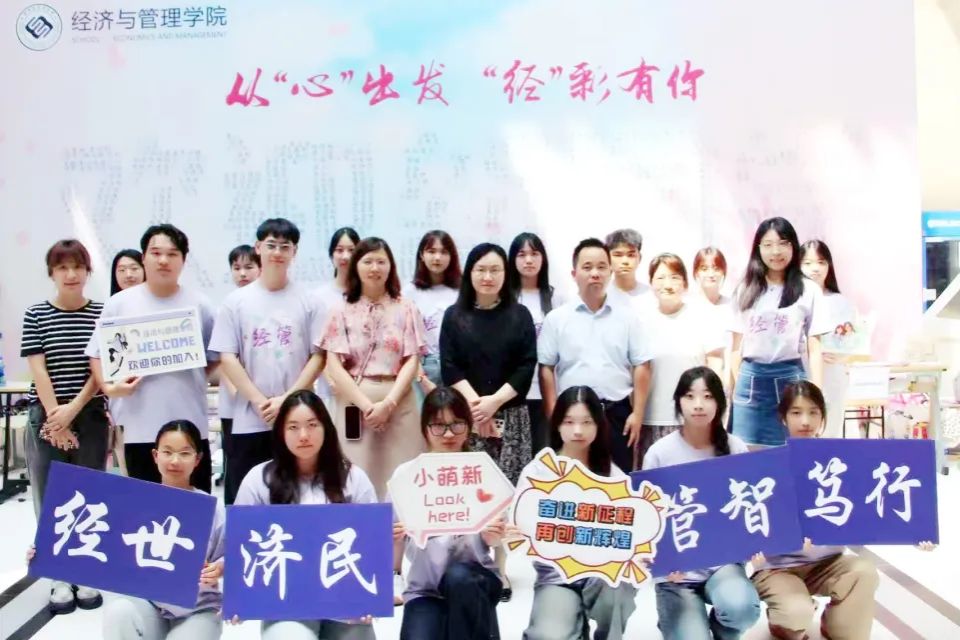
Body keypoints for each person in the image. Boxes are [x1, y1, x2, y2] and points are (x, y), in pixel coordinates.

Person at [234, 389, 377, 639]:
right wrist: (239, 597)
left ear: (326, 428)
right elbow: (239, 543)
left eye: (312, 425)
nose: (303, 435)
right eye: (293, 427)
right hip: (286, 602)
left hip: (343, 598)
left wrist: (372, 596)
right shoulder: (259, 479)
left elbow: (372, 542)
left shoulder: (354, 478)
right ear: (281, 432)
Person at [87, 224, 219, 492]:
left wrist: (189, 375)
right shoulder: (119, 303)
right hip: (136, 427)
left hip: (189, 427)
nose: (163, 260)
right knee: (139, 506)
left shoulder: (201, 305)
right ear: (144, 257)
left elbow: (215, 356)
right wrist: (110, 388)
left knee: (193, 506)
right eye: (156, 253)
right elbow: (97, 354)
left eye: (172, 254)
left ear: (183, 260)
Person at [439, 243, 536, 601]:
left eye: (495, 269)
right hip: (466, 417)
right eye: (481, 269)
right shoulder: (455, 316)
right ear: (469, 274)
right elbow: (450, 366)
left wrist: (494, 403)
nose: (488, 276)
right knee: (467, 494)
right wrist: (478, 407)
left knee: (504, 495)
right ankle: (465, 565)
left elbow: (526, 366)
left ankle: (501, 569)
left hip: (511, 414)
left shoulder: (519, 315)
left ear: (505, 274)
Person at [750, 381, 879, 640]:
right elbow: (753, 524)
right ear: (783, 418)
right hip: (779, 568)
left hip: (827, 564)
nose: (805, 421)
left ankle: (834, 623)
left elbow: (865, 516)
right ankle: (785, 620)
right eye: (796, 413)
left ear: (823, 416)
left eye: (813, 412)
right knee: (795, 615)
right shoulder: (766, 465)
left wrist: (915, 532)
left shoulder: (842, 462)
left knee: (864, 572)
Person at [643, 366, 760, 640]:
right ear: (678, 402)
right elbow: (647, 519)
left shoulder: (735, 448)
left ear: (720, 403)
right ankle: (675, 620)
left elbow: (749, 508)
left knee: (742, 609)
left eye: (708, 396)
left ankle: (722, 631)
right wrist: (661, 561)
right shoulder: (659, 454)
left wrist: (754, 544)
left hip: (722, 565)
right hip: (676, 575)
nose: (698, 405)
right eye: (690, 396)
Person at [211, 219, 323, 505]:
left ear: (294, 252)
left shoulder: (309, 301)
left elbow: (318, 356)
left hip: (296, 417)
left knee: (297, 494)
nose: (277, 252)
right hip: (251, 417)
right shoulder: (235, 302)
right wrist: (259, 401)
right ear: (258, 247)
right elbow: (227, 357)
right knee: (247, 496)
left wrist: (288, 399)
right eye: (271, 245)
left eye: (285, 247)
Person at [21, 239, 107, 613]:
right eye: (62, 267)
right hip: (46, 416)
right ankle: (57, 574)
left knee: (89, 494)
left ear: (88, 271)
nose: (71, 274)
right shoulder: (36, 314)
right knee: (50, 495)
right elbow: (38, 371)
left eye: (78, 266)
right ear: (52, 273)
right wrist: (56, 419)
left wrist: (72, 410)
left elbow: (99, 370)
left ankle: (84, 571)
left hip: (89, 414)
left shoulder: (102, 313)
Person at [521, 385, 638, 640]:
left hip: (601, 573)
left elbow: (632, 528)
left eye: (587, 422)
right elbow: (521, 526)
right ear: (557, 424)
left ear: (598, 425)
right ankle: (573, 622)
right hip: (557, 576)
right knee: (548, 636)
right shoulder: (538, 471)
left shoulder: (612, 475)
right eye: (569, 421)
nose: (578, 430)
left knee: (618, 589)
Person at [391, 387, 504, 639]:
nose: (449, 434)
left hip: (475, 579)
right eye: (438, 426)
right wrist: (394, 540)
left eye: (457, 424)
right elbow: (393, 541)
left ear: (469, 426)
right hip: (425, 589)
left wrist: (493, 537)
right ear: (425, 429)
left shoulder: (483, 471)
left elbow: (499, 540)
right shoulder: (406, 476)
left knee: (459, 577)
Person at [319, 236, 427, 498]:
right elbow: (333, 364)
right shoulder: (341, 309)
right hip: (355, 403)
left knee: (404, 472)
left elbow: (412, 360)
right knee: (355, 471)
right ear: (356, 265)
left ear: (391, 266)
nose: (375, 268)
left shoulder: (406, 307)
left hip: (398, 400)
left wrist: (388, 404)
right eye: (368, 261)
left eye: (381, 261)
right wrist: (367, 406)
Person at [101, 420, 225, 640]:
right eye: (167, 452)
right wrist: (44, 552)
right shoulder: (135, 502)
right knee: (118, 613)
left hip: (196, 608)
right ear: (155, 455)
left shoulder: (211, 508)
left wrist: (220, 567)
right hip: (147, 601)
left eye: (184, 453)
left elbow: (231, 555)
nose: (175, 461)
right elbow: (103, 551)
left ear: (197, 459)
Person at [538, 238, 651, 473]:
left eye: (601, 267)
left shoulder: (628, 317)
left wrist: (638, 414)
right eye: (587, 267)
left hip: (616, 414)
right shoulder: (557, 319)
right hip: (572, 416)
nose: (595, 274)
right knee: (570, 480)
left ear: (610, 271)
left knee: (618, 482)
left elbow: (642, 364)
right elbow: (546, 368)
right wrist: (553, 414)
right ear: (574, 273)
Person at [728, 217, 830, 447]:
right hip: (751, 380)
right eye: (768, 245)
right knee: (745, 450)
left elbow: (815, 347)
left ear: (793, 246)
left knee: (792, 450)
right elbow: (735, 347)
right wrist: (734, 390)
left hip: (790, 377)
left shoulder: (808, 289)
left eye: (783, 243)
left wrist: (817, 396)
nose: (776, 251)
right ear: (758, 249)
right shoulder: (745, 289)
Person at [637, 254, 723, 468]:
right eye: (660, 278)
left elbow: (715, 363)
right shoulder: (640, 320)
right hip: (652, 419)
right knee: (653, 484)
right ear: (651, 284)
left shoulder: (703, 315)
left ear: (685, 283)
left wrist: (716, 408)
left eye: (675, 277)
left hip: (694, 420)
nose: (668, 284)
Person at [508, 232, 564, 453]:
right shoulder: (506, 298)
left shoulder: (556, 298)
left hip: (548, 392)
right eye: (522, 255)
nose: (529, 260)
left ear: (543, 258)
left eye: (534, 254)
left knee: (546, 454)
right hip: (514, 391)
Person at [799, 240, 856, 438]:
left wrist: (841, 355)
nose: (815, 268)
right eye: (807, 263)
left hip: (833, 374)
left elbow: (850, 339)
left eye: (821, 262)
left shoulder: (841, 302)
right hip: (801, 371)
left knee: (830, 429)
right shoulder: (793, 300)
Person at [403, 230, 461, 397]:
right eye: (431, 251)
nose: (437, 257)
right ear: (422, 255)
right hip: (423, 367)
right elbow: (407, 341)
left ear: (452, 256)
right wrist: (421, 378)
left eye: (444, 252)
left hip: (457, 367)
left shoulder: (463, 289)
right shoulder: (409, 292)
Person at [315, 227, 361, 412]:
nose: (345, 256)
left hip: (364, 386)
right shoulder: (318, 298)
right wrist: (331, 379)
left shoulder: (369, 294)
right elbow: (318, 347)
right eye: (339, 250)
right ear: (331, 254)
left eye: (351, 250)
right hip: (330, 388)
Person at [692, 247, 733, 387]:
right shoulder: (689, 307)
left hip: (727, 381)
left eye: (716, 268)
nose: (711, 274)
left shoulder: (732, 306)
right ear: (696, 273)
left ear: (723, 271)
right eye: (704, 269)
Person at [604, 228, 651, 309]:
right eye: (618, 255)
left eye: (631, 255)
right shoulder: (599, 296)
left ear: (639, 258)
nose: (625, 261)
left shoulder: (651, 295)